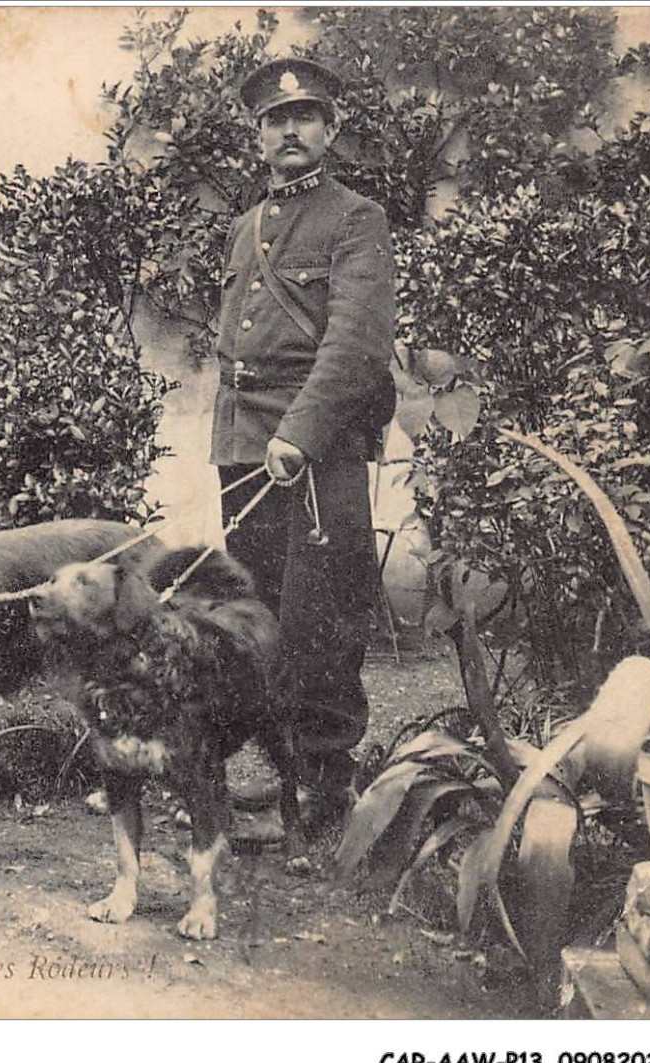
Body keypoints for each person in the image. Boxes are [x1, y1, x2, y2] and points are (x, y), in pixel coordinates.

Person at [210, 58, 396, 831]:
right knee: (254, 614)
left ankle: (324, 782)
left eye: (304, 117)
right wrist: (238, 442)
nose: (289, 130)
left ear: (330, 129)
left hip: (312, 450)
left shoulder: (356, 218)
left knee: (320, 614)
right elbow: (235, 344)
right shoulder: (243, 227)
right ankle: (280, 773)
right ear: (257, 136)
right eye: (274, 121)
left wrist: (299, 434)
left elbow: (354, 344)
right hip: (244, 447)